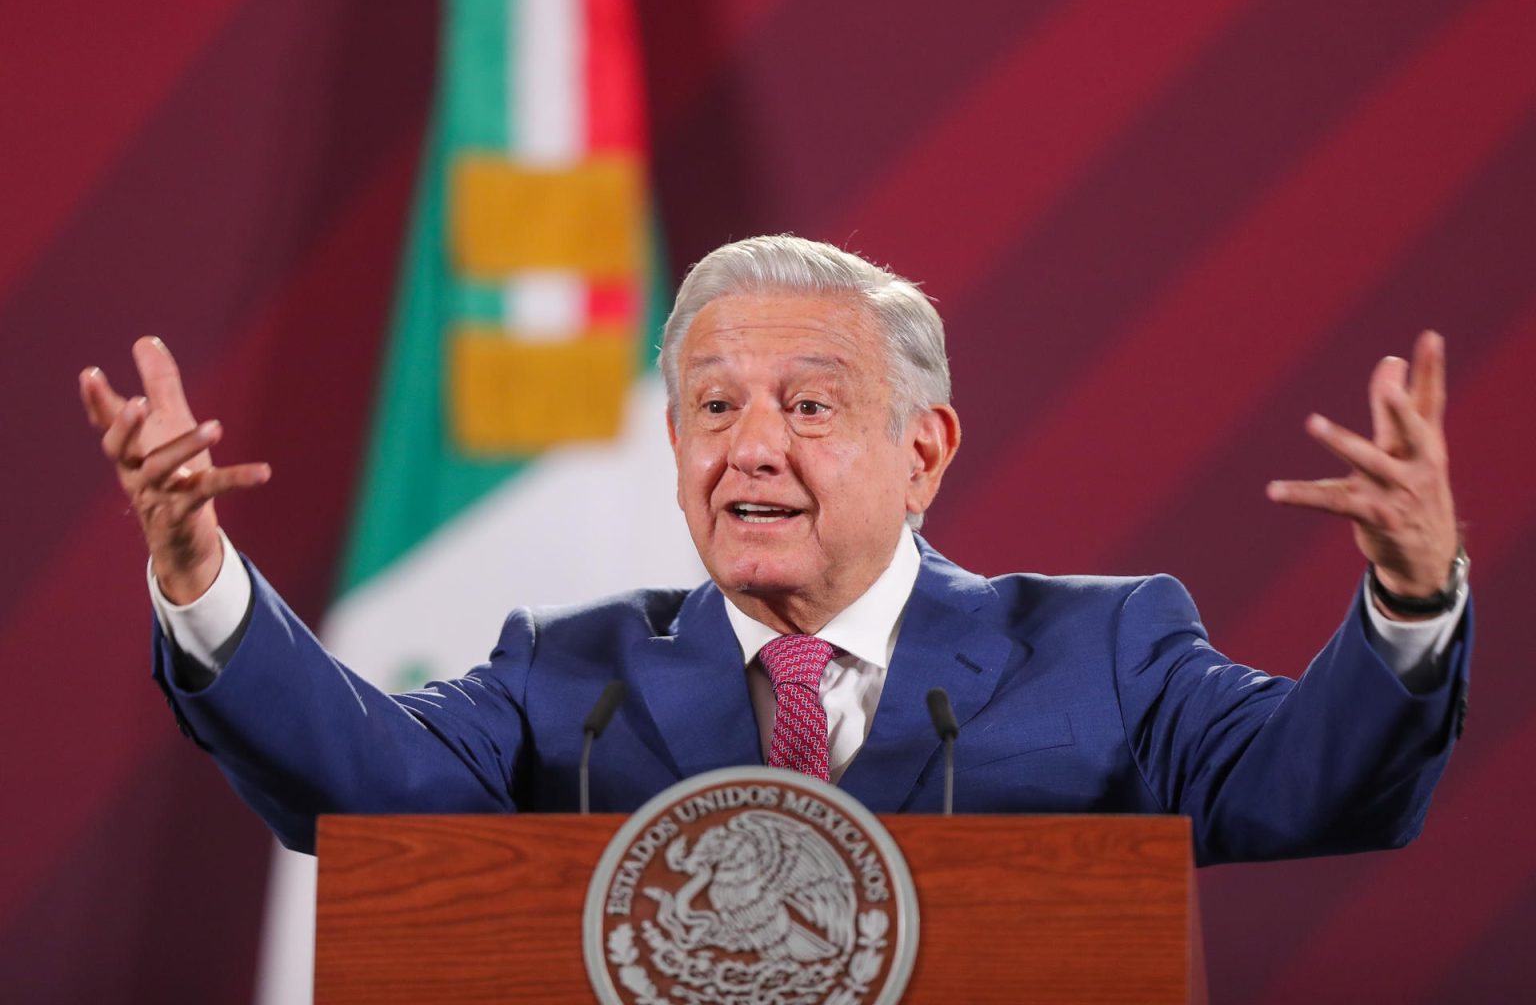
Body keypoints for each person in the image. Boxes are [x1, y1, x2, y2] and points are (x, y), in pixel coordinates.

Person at [79, 235, 1469, 865]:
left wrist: (1408, 601)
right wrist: (201, 576)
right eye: (712, 409)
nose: (751, 448)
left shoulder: (1105, 652)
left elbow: (1312, 790)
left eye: (810, 408)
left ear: (923, 450)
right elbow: (363, 786)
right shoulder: (577, 681)